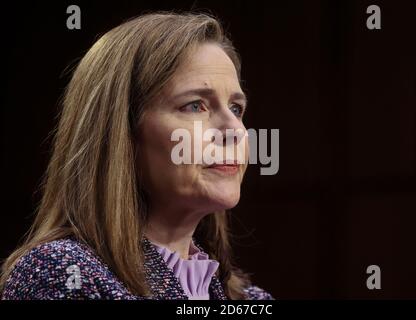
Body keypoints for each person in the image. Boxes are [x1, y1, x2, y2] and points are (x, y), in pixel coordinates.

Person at [1, 12, 273, 300]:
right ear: (121, 133)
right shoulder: (63, 272)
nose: (235, 131)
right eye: (195, 106)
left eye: (236, 108)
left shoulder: (249, 299)